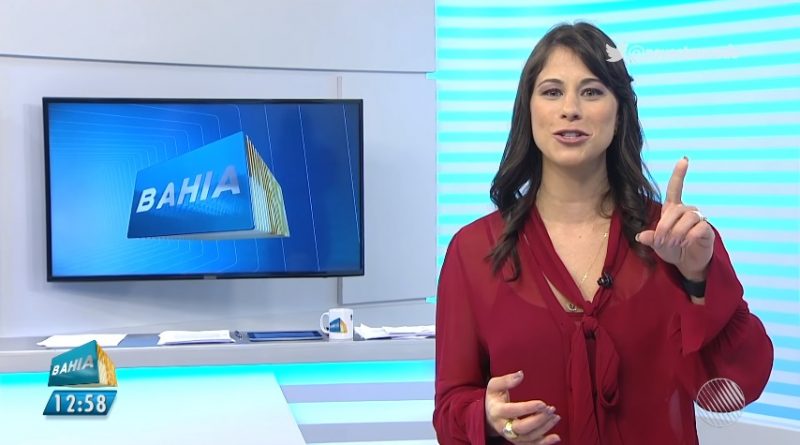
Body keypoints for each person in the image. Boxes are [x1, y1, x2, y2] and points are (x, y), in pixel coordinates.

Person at [432, 22, 773, 445]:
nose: (570, 109)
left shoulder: (676, 239)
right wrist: (487, 418)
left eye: (591, 91)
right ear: (528, 111)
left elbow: (735, 389)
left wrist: (697, 279)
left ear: (620, 112)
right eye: (552, 91)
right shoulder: (472, 251)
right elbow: (449, 409)